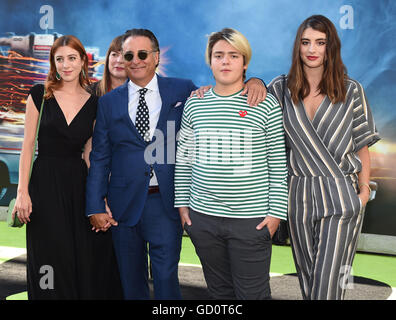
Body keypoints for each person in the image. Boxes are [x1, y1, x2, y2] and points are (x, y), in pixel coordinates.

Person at [85, 28, 267, 300]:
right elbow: (100, 156)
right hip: (122, 206)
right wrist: (95, 205)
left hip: (165, 203)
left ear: (156, 57)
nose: (135, 60)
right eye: (129, 55)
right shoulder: (109, 102)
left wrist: (255, 80)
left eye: (143, 54)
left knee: (166, 279)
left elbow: (222, 90)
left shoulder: (183, 89)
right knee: (130, 280)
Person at [267, 15, 380, 300]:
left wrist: (363, 192)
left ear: (331, 48)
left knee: (327, 288)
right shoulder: (280, 88)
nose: (312, 49)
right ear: (298, 47)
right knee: (309, 284)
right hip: (298, 195)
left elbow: (362, 146)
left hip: (341, 195)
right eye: (306, 42)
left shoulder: (351, 90)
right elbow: (248, 108)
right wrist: (253, 80)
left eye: (320, 42)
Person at [174, 28, 288, 300]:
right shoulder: (195, 104)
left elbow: (278, 164)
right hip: (203, 219)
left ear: (244, 62)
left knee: (253, 294)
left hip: (252, 221)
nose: (225, 61)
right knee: (220, 293)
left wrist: (275, 215)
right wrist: (182, 205)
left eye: (233, 55)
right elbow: (184, 160)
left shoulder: (267, 105)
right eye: (219, 55)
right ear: (210, 61)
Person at [12, 35, 122, 299]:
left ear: (83, 60)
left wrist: (100, 200)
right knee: (48, 256)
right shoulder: (39, 94)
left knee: (80, 257)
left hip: (78, 185)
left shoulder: (95, 103)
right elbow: (27, 146)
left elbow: (91, 156)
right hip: (44, 184)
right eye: (59, 59)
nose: (66, 65)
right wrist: (22, 192)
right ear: (53, 63)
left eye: (72, 58)